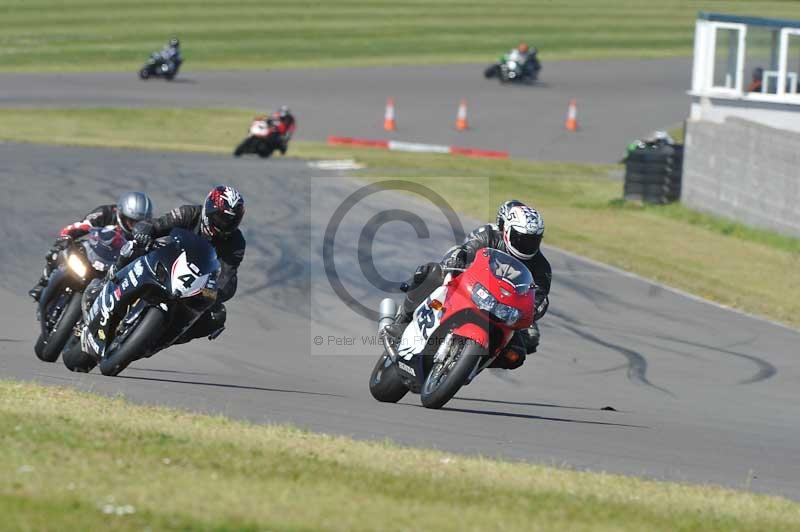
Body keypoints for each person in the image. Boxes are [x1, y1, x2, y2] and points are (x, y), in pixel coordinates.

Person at [385, 200, 551, 370]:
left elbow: (539, 297)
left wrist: (533, 311)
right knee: (431, 272)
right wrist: (457, 257)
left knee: (517, 355)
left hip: (502, 310)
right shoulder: (489, 234)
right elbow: (467, 249)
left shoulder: (542, 268)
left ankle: (471, 363)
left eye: (533, 240)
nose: (527, 244)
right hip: (472, 286)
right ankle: (403, 321)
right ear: (507, 231)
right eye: (521, 238)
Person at [130, 185, 246, 343]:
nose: (224, 225)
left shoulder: (236, 243)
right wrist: (146, 232)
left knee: (217, 316)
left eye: (231, 221)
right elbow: (158, 225)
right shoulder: (188, 213)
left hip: (195, 285)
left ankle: (165, 338)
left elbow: (227, 275)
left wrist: (213, 294)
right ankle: (111, 277)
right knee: (133, 247)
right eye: (220, 218)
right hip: (164, 261)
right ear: (209, 210)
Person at [28, 192, 154, 301]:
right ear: (121, 212)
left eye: (139, 223)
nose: (134, 226)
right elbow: (82, 225)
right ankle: (43, 283)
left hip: (110, 269)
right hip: (90, 253)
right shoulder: (105, 213)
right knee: (57, 251)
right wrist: (67, 236)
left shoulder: (144, 234)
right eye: (130, 221)